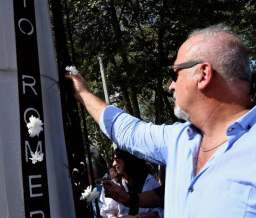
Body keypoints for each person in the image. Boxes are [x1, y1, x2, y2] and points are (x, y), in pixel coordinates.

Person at [65, 24, 256, 217]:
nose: (171, 86)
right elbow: (128, 131)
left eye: (175, 74)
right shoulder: (177, 139)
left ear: (203, 74)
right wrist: (83, 94)